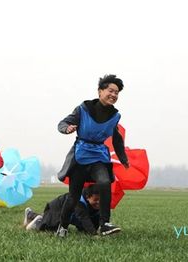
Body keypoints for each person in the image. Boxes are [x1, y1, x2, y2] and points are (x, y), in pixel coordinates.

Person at [56, 74, 129, 237]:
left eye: (117, 93)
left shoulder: (115, 116)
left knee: (104, 181)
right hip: (81, 156)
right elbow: (63, 123)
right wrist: (66, 129)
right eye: (111, 90)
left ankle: (104, 224)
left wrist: (123, 158)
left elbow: (116, 139)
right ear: (100, 91)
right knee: (73, 198)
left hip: (99, 157)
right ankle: (63, 227)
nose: (114, 95)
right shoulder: (83, 109)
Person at [24, 185, 100, 235]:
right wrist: (94, 234)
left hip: (73, 214)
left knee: (84, 230)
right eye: (95, 200)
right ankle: (35, 219)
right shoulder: (78, 200)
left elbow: (95, 219)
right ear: (87, 197)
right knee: (51, 228)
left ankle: (31, 214)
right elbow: (84, 218)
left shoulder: (95, 204)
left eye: (101, 199)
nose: (98, 202)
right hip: (57, 208)